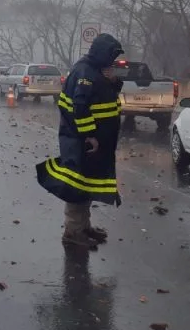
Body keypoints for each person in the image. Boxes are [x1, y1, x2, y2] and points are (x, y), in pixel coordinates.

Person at [36, 33, 125, 248]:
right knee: (77, 184)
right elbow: (80, 108)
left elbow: (104, 95)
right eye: (111, 56)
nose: (113, 62)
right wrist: (90, 136)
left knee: (87, 183)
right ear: (103, 53)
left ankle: (84, 226)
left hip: (94, 139)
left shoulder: (96, 70)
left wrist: (113, 81)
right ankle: (73, 231)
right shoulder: (85, 72)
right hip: (81, 140)